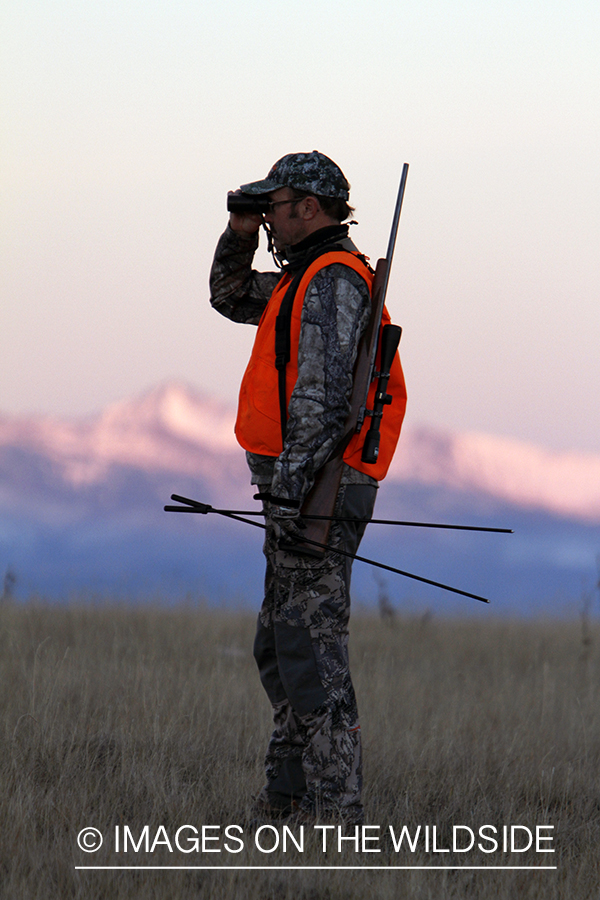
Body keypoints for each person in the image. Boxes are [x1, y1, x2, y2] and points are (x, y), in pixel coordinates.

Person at [209, 151, 407, 825]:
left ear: (310, 209)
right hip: (300, 490)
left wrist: (294, 498)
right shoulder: (305, 280)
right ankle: (288, 798)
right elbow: (230, 296)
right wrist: (238, 232)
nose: (268, 216)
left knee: (311, 647)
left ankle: (334, 810)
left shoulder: (330, 283)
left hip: (315, 491)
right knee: (283, 641)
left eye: (275, 204)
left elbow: (323, 404)